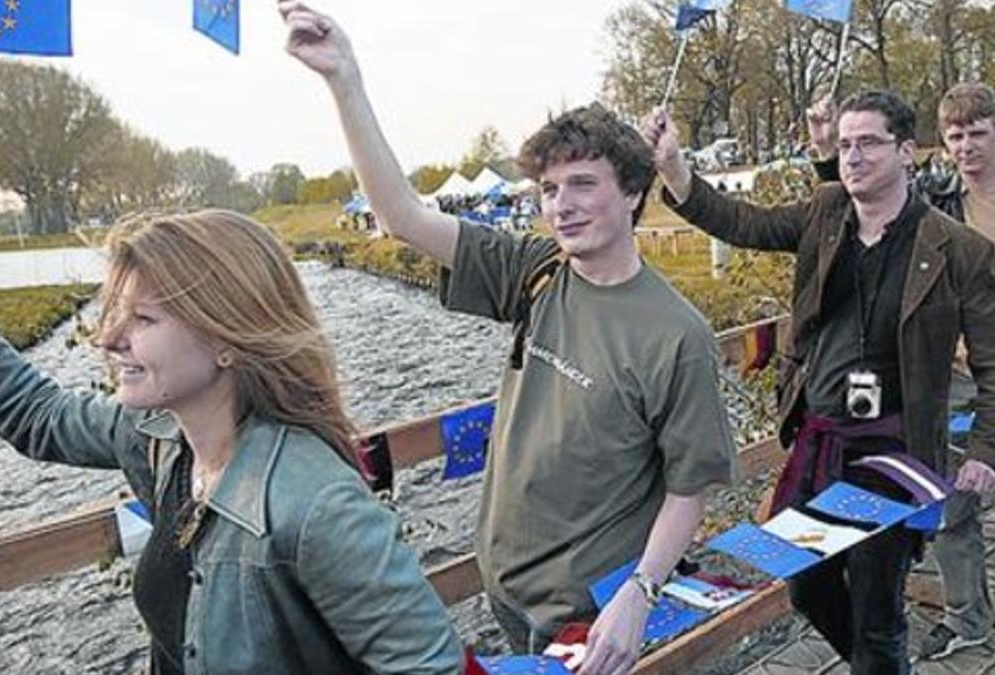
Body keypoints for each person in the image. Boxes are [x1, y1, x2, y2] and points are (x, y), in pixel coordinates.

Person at [278, 4, 737, 673]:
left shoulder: (678, 335)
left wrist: (640, 592)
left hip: (590, 610)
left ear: (634, 191)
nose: (561, 205)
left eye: (583, 183)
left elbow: (689, 486)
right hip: (505, 593)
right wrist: (344, 80)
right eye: (549, 188)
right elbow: (401, 216)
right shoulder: (537, 271)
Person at [0, 188, 464, 675]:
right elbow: (38, 416)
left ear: (229, 340)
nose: (109, 339)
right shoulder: (156, 439)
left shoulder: (319, 504)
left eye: (143, 320)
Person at [642, 89, 995, 674]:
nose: (853, 156)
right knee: (806, 587)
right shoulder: (825, 214)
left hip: (893, 452)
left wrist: (989, 449)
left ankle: (881, 662)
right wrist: (672, 164)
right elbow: (742, 221)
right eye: (845, 144)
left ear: (906, 152)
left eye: (868, 143)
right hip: (820, 438)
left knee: (875, 604)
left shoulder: (958, 249)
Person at [813, 82, 995, 657]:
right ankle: (967, 616)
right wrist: (827, 151)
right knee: (949, 511)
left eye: (977, 133)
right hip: (949, 384)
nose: (966, 146)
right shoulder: (936, 204)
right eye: (955, 135)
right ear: (941, 142)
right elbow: (854, 201)